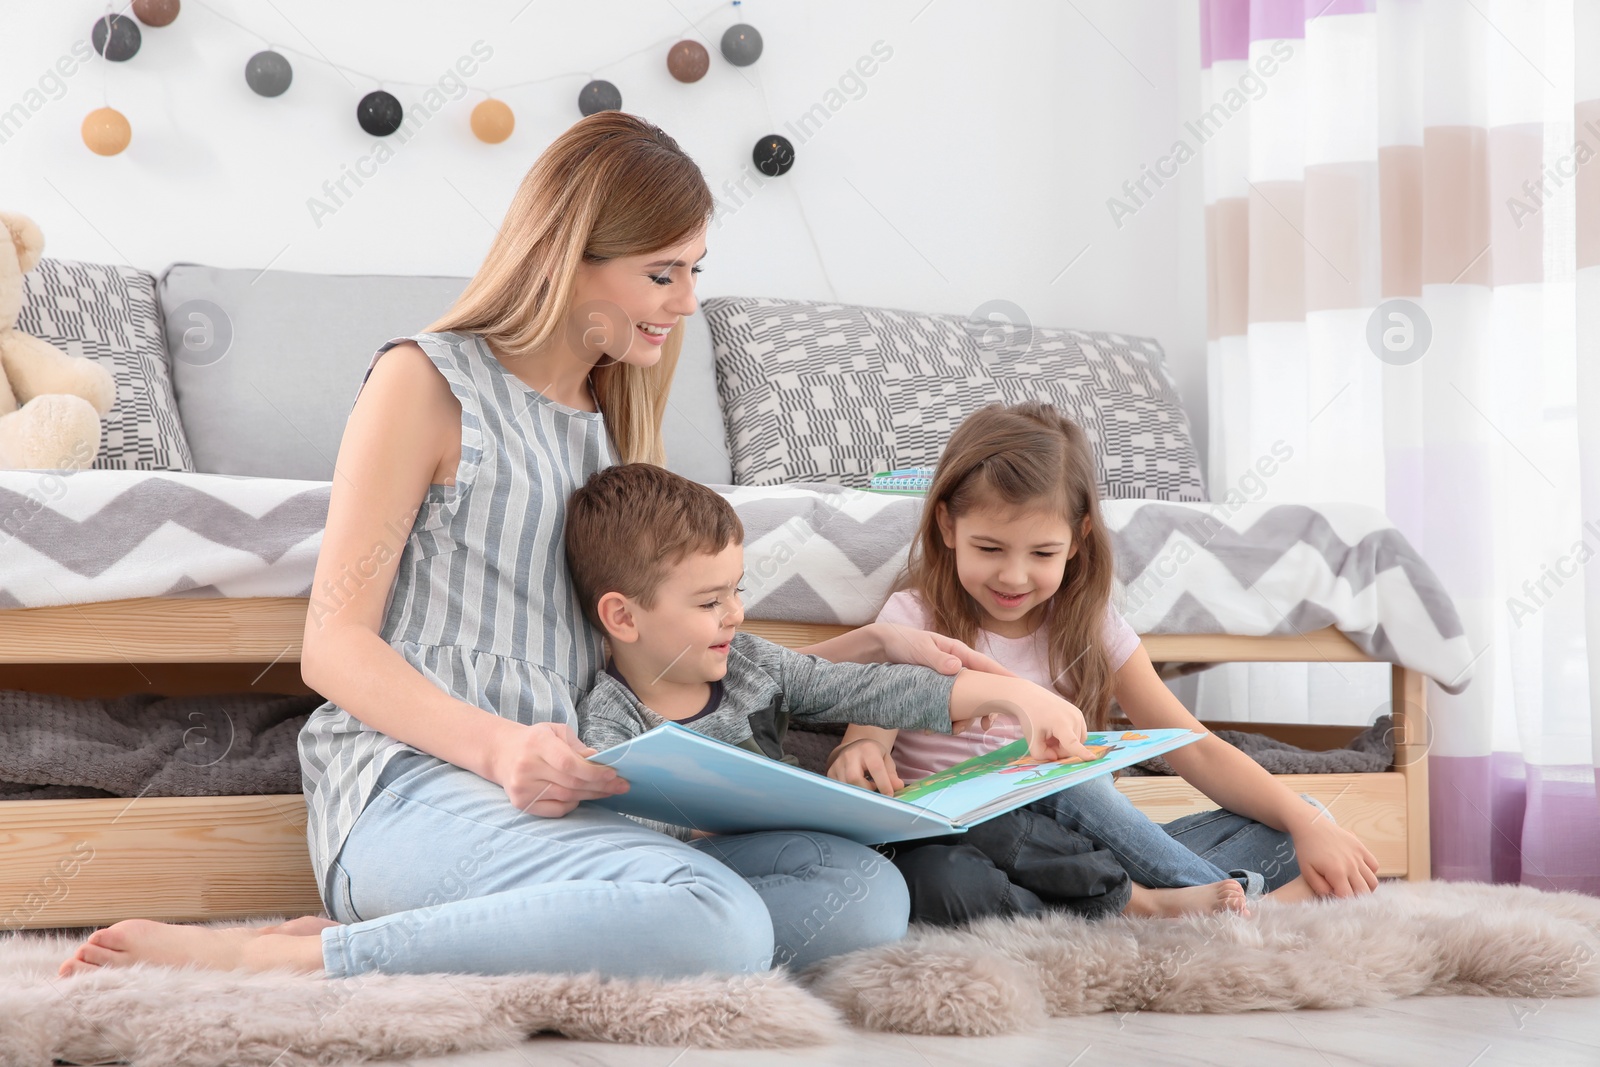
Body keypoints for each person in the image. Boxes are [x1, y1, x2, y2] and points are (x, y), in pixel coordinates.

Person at [56, 112, 1010, 981]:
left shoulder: (609, 430)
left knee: (862, 895)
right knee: (718, 923)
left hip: (575, 805)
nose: (684, 305)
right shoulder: (425, 382)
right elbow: (333, 644)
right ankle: (294, 963)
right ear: (570, 256)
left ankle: (415, 933)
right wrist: (503, 745)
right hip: (413, 789)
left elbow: (669, 650)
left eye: (694, 272)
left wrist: (873, 648)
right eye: (661, 272)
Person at [566, 461, 1246, 927]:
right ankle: (1116, 913)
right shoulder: (613, 717)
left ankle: (1143, 902)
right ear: (624, 617)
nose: (736, 614)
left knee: (996, 827)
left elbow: (869, 689)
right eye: (712, 601)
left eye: (738, 591)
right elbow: (625, 844)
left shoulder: (748, 664)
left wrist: (1009, 698)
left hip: (864, 840)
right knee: (950, 887)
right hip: (771, 872)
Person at [827, 401, 1382, 927]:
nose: (1014, 577)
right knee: (949, 879)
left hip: (1082, 852)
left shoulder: (1091, 626)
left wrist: (1305, 823)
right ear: (948, 528)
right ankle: (1217, 911)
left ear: (1077, 539)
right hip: (972, 842)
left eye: (1041, 553)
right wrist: (861, 753)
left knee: (1298, 819)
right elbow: (865, 737)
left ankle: (1163, 902)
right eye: (990, 549)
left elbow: (1193, 747)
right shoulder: (913, 620)